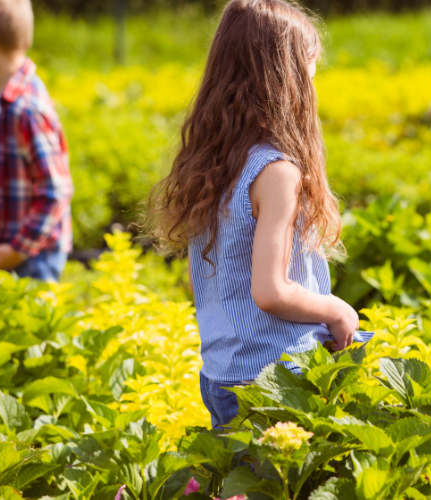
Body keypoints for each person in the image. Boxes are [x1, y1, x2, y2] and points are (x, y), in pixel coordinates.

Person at [147, 0, 358, 428]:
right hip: (276, 374)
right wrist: (336, 311)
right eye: (311, 73)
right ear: (290, 82)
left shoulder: (217, 163)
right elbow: (271, 291)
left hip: (223, 371)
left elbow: (204, 277)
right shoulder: (277, 171)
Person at [0, 0, 72, 281]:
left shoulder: (25, 108)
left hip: (30, 256)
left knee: (28, 324)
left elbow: (56, 190)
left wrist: (19, 249)